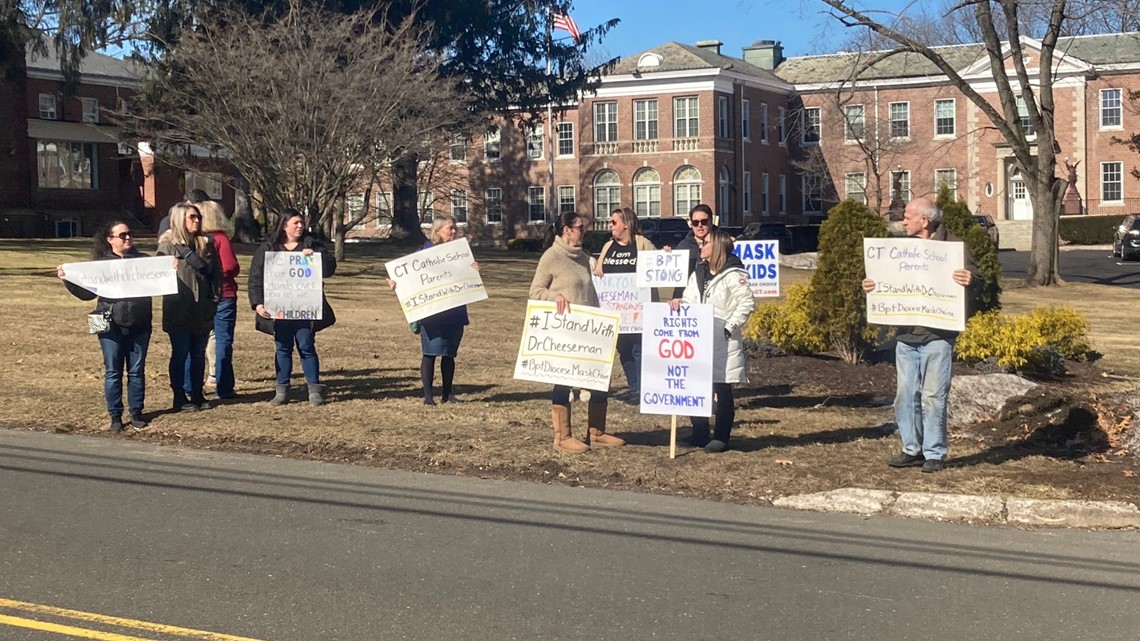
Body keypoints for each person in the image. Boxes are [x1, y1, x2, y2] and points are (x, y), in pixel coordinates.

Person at [862, 196, 979, 473]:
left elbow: (978, 280)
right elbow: (885, 281)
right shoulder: (898, 251)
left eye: (907, 216)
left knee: (933, 396)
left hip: (938, 336)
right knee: (904, 396)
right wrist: (871, 286)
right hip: (906, 337)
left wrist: (971, 280)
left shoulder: (954, 248)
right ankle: (911, 449)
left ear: (924, 221)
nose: (903, 220)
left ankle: (935, 453)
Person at [529, 211, 624, 453]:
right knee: (564, 381)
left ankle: (596, 432)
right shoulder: (551, 257)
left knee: (599, 380)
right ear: (567, 230)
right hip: (565, 332)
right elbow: (535, 291)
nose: (585, 231)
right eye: (580, 227)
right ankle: (563, 436)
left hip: (589, 330)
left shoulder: (582, 258)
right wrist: (555, 296)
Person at [58, 221, 157, 432]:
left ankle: (137, 413)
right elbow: (87, 294)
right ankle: (115, 415)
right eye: (123, 235)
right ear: (110, 240)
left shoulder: (144, 262)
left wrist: (170, 268)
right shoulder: (99, 264)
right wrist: (68, 279)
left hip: (140, 322)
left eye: (130, 234)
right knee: (112, 371)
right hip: (105, 321)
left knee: (137, 371)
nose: (128, 238)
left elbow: (159, 281)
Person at [670, 229, 755, 453]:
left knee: (721, 386)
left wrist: (728, 328)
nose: (701, 245)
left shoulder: (734, 274)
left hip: (721, 341)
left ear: (716, 246)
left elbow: (746, 303)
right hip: (697, 338)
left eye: (706, 243)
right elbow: (690, 297)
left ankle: (721, 436)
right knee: (695, 385)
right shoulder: (699, 272)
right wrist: (679, 302)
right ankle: (699, 432)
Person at [248, 209, 337, 406]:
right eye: (295, 223)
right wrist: (258, 303)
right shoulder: (269, 248)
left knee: (306, 346)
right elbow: (256, 277)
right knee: (282, 348)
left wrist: (316, 257)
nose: (300, 226)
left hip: (304, 309)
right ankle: (282, 389)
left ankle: (314, 389)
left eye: (301, 223)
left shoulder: (312, 244)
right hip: (279, 310)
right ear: (284, 225)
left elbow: (330, 268)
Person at [387, 215, 477, 405]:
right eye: (449, 228)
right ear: (438, 231)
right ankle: (428, 396)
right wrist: (396, 283)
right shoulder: (424, 254)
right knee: (430, 353)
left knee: (449, 355)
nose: (453, 232)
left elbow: (467, 278)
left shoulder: (460, 253)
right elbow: (409, 277)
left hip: (455, 313)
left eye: (454, 229)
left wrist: (474, 270)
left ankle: (447, 394)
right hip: (432, 313)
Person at [157, 203, 223, 412]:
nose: (197, 220)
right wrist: (167, 268)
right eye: (192, 217)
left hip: (202, 310)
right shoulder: (167, 246)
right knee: (180, 353)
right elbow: (156, 279)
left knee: (197, 353)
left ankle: (196, 392)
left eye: (198, 217)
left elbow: (217, 274)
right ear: (179, 220)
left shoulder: (207, 244)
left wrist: (216, 298)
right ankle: (179, 396)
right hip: (179, 310)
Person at [594, 207, 657, 404]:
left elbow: (658, 265)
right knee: (624, 349)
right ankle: (633, 387)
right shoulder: (608, 246)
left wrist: (665, 254)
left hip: (638, 310)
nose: (609, 226)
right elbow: (599, 269)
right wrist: (598, 273)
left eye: (613, 222)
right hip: (615, 311)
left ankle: (642, 390)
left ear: (626, 225)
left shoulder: (643, 244)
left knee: (639, 348)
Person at [199, 200, 240, 399]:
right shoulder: (220, 239)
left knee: (200, 340)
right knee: (223, 340)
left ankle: (193, 386)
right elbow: (230, 266)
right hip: (224, 294)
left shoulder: (197, 240)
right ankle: (223, 386)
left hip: (201, 297)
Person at [670, 203, 718, 300]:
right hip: (686, 299)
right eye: (695, 223)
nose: (700, 226)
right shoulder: (683, 246)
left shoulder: (722, 244)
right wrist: (667, 256)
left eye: (704, 222)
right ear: (691, 225)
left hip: (715, 299)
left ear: (711, 222)